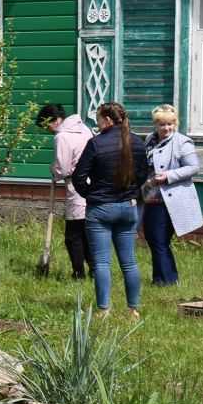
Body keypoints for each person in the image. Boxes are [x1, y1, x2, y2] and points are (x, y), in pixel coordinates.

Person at [70, 101, 150, 320]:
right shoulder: (137, 142)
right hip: (127, 207)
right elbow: (144, 173)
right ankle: (133, 309)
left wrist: (90, 194)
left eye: (97, 120)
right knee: (129, 261)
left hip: (100, 209)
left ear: (106, 120)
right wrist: (132, 194)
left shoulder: (96, 143)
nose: (97, 124)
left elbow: (78, 176)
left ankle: (104, 310)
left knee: (102, 262)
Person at [141, 105, 203, 288]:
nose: (166, 128)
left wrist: (168, 175)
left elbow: (193, 168)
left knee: (159, 239)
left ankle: (165, 281)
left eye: (170, 124)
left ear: (175, 124)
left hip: (171, 198)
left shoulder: (182, 142)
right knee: (154, 238)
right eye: (162, 124)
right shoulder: (150, 140)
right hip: (152, 196)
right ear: (156, 124)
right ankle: (164, 278)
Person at [38, 102, 94, 280]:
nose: (47, 129)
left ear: (55, 120)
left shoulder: (62, 136)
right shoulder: (84, 129)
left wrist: (54, 171)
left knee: (73, 235)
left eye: (46, 124)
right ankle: (95, 269)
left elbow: (62, 168)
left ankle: (79, 273)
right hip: (93, 184)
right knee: (86, 232)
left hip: (76, 186)